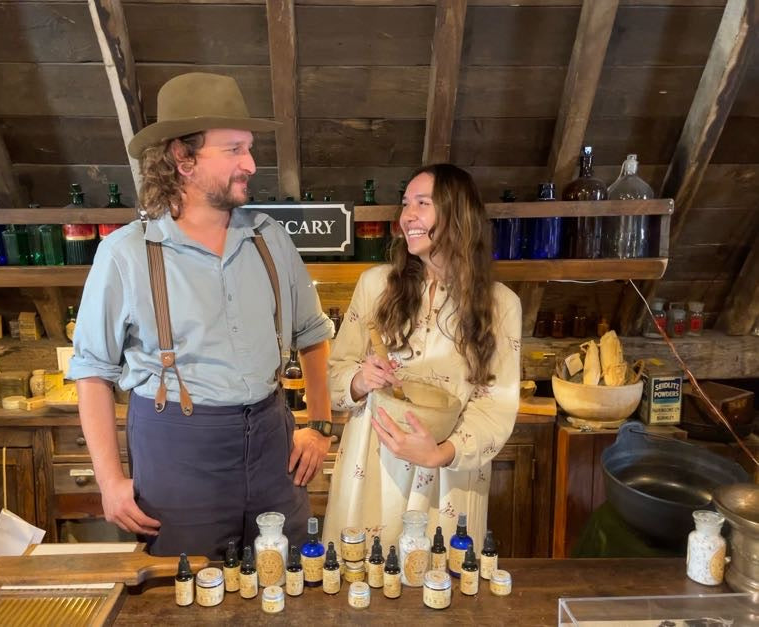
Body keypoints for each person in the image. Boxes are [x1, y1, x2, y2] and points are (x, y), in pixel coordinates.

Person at [68, 72, 335, 558]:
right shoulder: (125, 254)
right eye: (234, 150)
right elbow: (92, 371)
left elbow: (312, 335)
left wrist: (319, 424)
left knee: (287, 579)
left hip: (273, 445)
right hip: (177, 454)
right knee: (186, 593)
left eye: (249, 148)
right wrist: (109, 480)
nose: (251, 164)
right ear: (182, 157)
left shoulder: (270, 239)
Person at [322, 163, 521, 549]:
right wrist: (361, 379)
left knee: (437, 592)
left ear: (457, 214)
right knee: (361, 587)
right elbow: (336, 372)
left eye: (422, 203)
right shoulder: (375, 285)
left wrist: (441, 453)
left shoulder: (501, 306)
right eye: (405, 203)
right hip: (372, 466)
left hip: (447, 475)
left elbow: (495, 407)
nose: (407, 215)